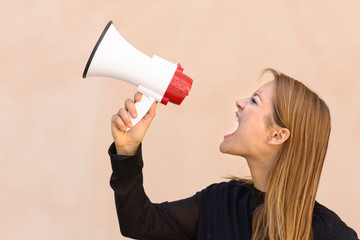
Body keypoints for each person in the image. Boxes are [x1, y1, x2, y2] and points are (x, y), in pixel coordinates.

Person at [108, 68, 358, 240]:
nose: (239, 102)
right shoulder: (218, 202)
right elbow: (139, 221)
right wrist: (127, 151)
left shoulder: (331, 234)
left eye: (254, 100)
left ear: (277, 135)